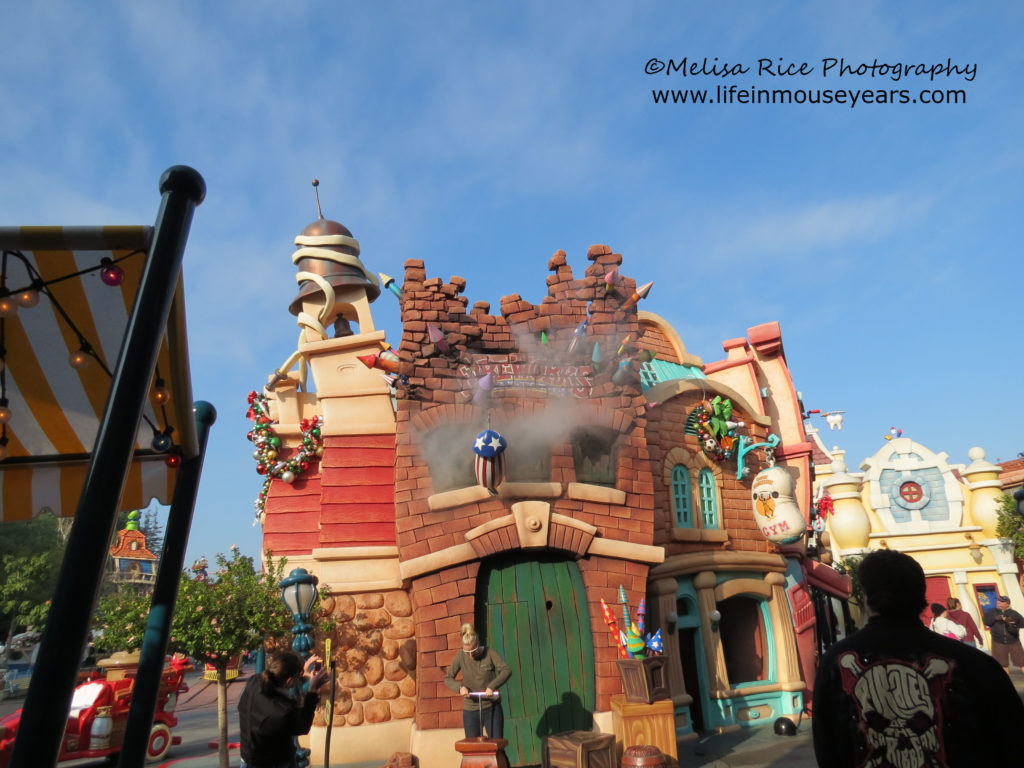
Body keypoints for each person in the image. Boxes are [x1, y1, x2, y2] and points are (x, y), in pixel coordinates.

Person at [812, 549, 1024, 767]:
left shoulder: (834, 663)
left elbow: (826, 747)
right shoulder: (976, 664)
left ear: (865, 597)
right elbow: (1013, 741)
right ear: (922, 595)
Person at [238, 651, 330, 768]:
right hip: (273, 763)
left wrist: (302, 673)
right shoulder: (282, 711)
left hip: (247, 759)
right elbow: (302, 726)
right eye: (297, 676)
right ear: (290, 679)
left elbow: (279, 688)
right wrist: (312, 690)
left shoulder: (254, 681)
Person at [444, 623, 512, 739]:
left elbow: (506, 670)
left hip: (491, 707)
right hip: (471, 709)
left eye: (473, 650)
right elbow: (448, 678)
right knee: (472, 747)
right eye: (467, 652)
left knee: (496, 745)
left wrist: (492, 686)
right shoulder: (460, 656)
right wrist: (460, 688)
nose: (470, 655)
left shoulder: (490, 653)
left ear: (478, 643)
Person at [983, 594, 1024, 674]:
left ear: (1007, 604)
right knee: (1002, 664)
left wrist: (1011, 621)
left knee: (1022, 662)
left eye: (1002, 601)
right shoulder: (991, 612)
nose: (999, 602)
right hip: (998, 641)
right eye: (998, 600)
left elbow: (1022, 623)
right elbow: (986, 621)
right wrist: (995, 618)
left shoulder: (1014, 613)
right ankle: (1006, 683)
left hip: (1014, 640)